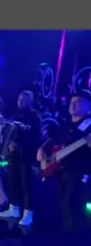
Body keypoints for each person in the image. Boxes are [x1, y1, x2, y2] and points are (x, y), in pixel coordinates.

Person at [37, 90, 91, 235]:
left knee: (73, 204)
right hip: (62, 170)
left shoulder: (89, 125)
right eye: (72, 102)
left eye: (79, 102)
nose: (73, 104)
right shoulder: (66, 125)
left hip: (80, 171)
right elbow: (53, 139)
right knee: (63, 205)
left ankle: (77, 240)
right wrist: (42, 149)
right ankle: (69, 238)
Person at [0, 90, 42, 226]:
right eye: (19, 99)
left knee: (26, 185)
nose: (20, 102)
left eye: (23, 100)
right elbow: (9, 132)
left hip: (27, 156)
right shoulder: (15, 115)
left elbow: (36, 138)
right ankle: (14, 209)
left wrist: (20, 146)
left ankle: (28, 214)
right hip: (14, 156)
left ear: (30, 101)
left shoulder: (35, 117)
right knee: (13, 182)